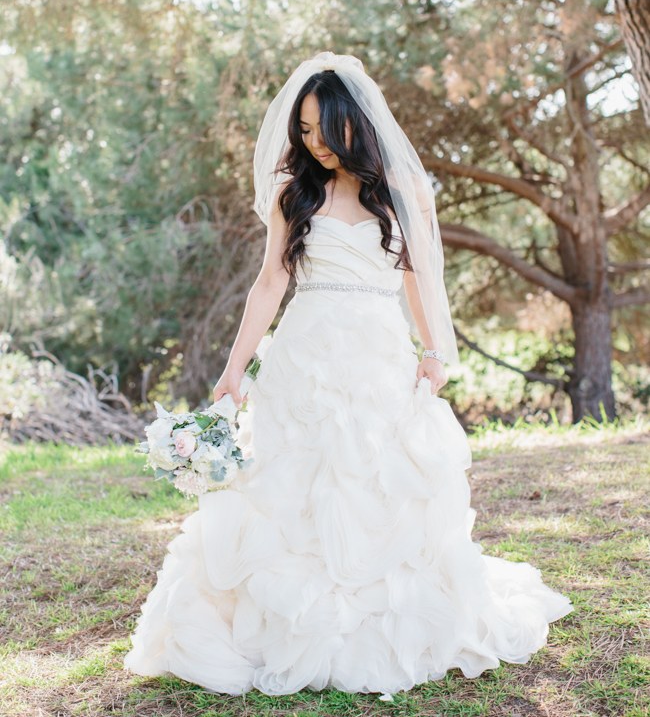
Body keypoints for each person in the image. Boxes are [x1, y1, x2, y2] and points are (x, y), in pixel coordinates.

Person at [123, 52, 573, 697]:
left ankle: (374, 618)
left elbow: (422, 277)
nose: (314, 143)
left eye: (323, 129)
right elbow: (270, 281)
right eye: (303, 131)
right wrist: (233, 369)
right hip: (303, 354)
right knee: (295, 481)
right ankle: (290, 620)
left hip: (376, 351)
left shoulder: (403, 191)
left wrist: (435, 351)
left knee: (375, 480)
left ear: (354, 122)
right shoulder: (294, 191)